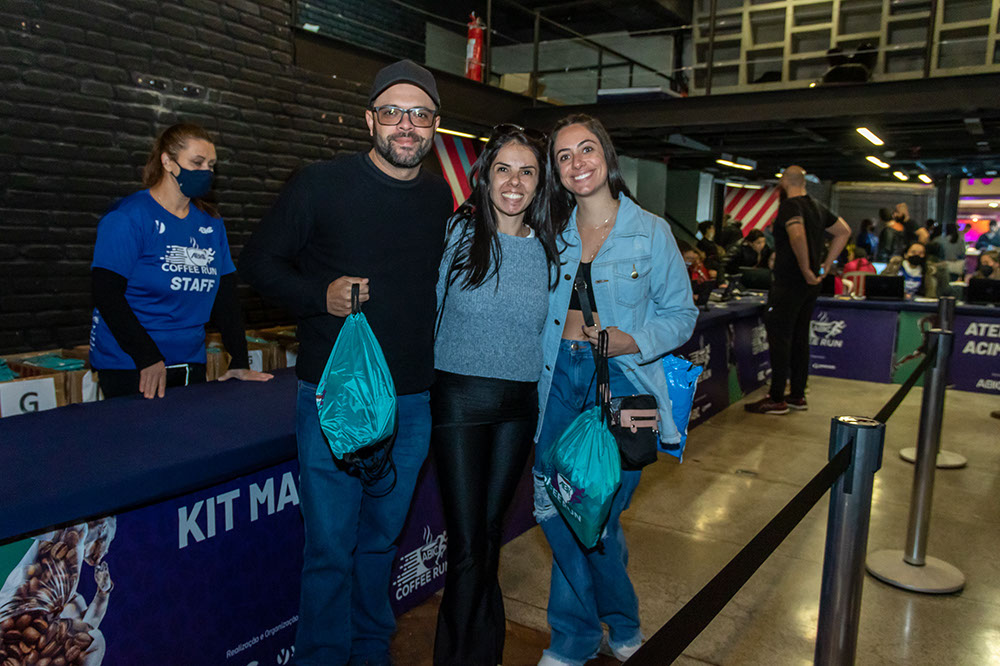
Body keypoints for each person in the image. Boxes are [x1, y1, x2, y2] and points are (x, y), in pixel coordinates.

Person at [238, 60, 453, 666]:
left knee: (380, 543)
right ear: (369, 120)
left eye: (419, 114)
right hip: (335, 399)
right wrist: (319, 295)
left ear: (435, 125)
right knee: (330, 548)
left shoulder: (439, 198)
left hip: (412, 402)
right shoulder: (319, 185)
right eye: (392, 112)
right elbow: (258, 264)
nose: (405, 125)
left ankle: (369, 654)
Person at [533, 114, 698, 666]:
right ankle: (576, 636)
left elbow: (682, 315)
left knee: (598, 515)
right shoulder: (549, 234)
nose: (577, 162)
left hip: (627, 385)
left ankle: (619, 622)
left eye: (586, 150)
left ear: (606, 155)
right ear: (556, 172)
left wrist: (635, 340)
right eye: (563, 156)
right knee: (559, 508)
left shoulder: (651, 231)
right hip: (558, 379)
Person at [431, 124, 559, 666]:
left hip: (517, 406)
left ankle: (481, 654)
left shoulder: (552, 246)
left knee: (488, 540)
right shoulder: (457, 234)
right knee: (464, 547)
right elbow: (426, 308)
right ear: (484, 177)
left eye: (527, 171)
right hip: (458, 400)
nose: (514, 181)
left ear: (539, 183)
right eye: (503, 169)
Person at [89, 123, 272, 399]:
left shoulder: (210, 223)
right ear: (168, 162)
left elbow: (225, 298)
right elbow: (106, 294)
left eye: (211, 165)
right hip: (132, 364)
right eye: (196, 162)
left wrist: (239, 360)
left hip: (189, 360)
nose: (206, 171)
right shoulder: (129, 217)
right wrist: (147, 356)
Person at [745, 166, 850, 414]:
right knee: (800, 337)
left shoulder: (791, 206)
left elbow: (797, 235)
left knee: (780, 338)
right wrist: (824, 266)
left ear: (784, 181)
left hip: (790, 282)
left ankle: (777, 396)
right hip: (809, 286)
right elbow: (844, 231)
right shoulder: (816, 206)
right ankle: (797, 394)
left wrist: (805, 268)